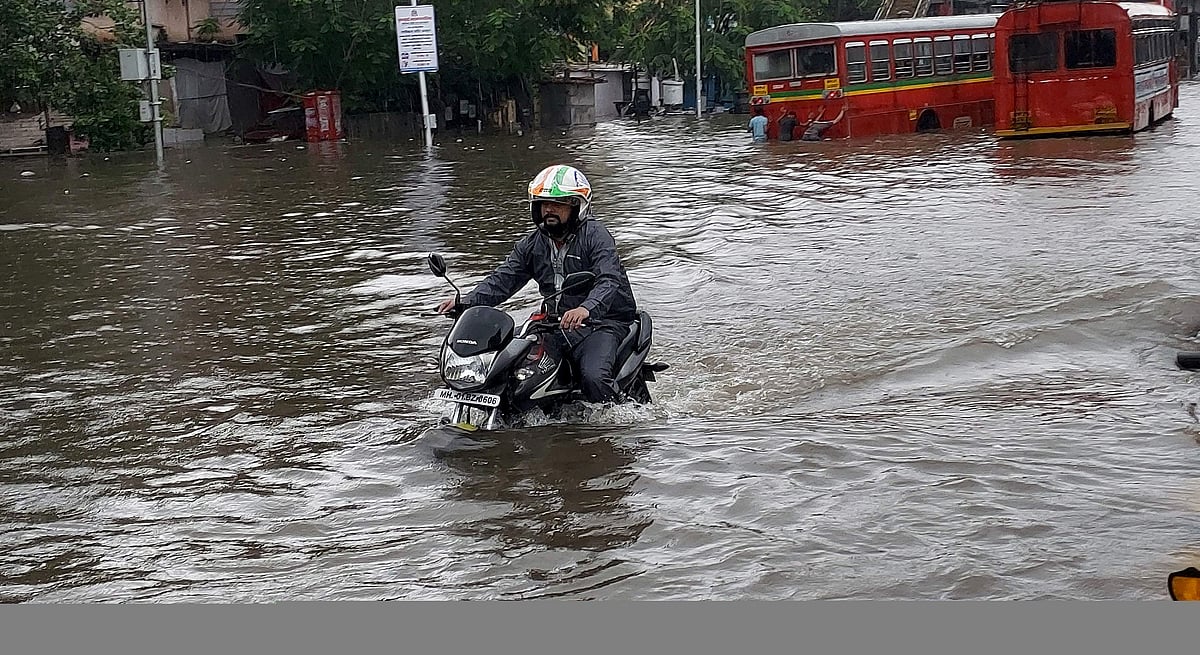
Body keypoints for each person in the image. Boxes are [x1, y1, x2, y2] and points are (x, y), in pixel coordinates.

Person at [436, 164, 639, 404]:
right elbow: (503, 279)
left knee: (593, 377)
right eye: (544, 203)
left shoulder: (596, 236)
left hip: (602, 322)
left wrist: (586, 308)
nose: (549, 209)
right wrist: (465, 302)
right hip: (554, 324)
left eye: (558, 203)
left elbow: (609, 279)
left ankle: (617, 421)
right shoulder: (533, 243)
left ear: (577, 206)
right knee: (512, 372)